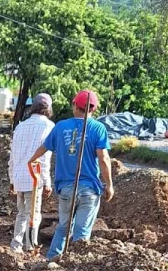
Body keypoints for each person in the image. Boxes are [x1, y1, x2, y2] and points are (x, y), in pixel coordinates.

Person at [27, 89, 113, 260]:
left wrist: (32, 160)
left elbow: (44, 147)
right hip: (89, 189)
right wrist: (109, 184)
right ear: (92, 110)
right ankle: (77, 266)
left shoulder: (61, 127)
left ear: (75, 105)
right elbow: (103, 158)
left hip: (66, 188)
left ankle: (51, 260)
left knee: (63, 226)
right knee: (82, 232)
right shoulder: (98, 128)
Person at [8, 92, 54, 253]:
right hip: (34, 177)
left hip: (20, 177)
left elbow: (13, 156)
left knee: (22, 213)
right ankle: (30, 246)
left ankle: (16, 244)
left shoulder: (21, 126)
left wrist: (12, 179)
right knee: (33, 214)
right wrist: (47, 181)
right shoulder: (48, 126)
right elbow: (44, 157)